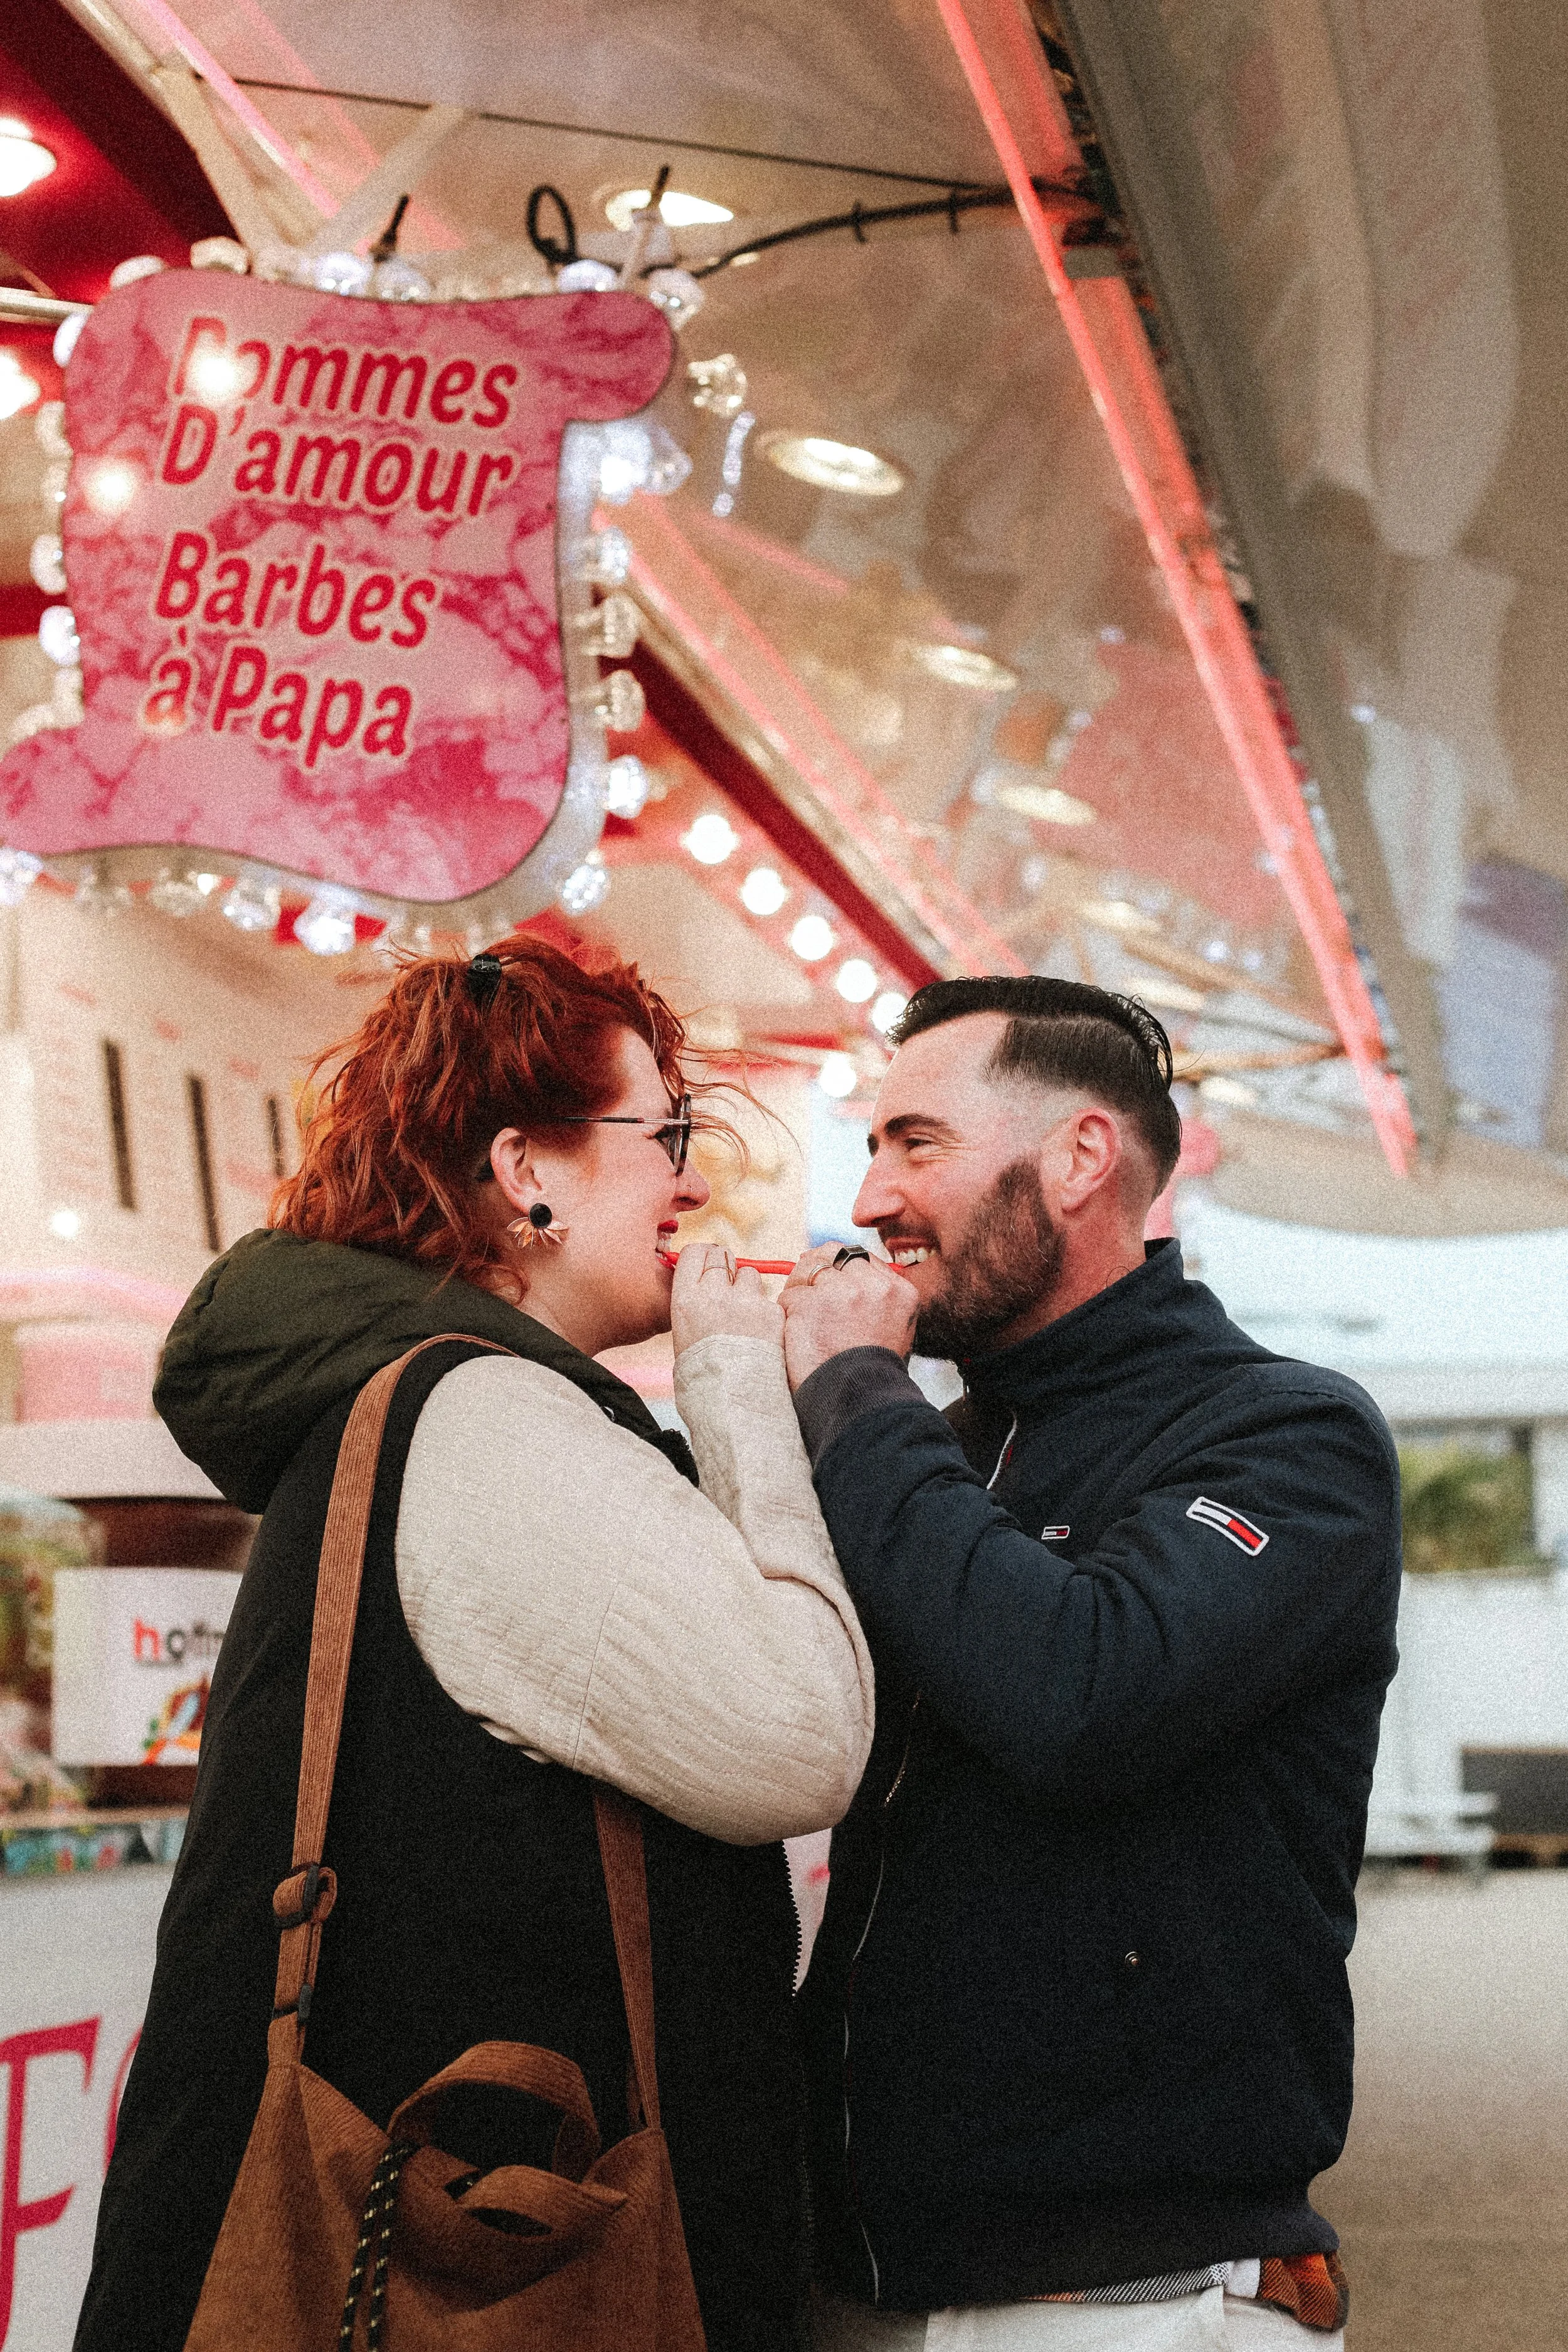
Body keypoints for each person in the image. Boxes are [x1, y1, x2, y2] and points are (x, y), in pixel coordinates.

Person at [74, 937, 874, 2352]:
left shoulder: (412, 1402)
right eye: (666, 1131)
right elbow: (797, 1738)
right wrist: (740, 1377)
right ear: (527, 1171)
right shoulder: (492, 1424)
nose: (692, 1180)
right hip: (482, 2255)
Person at [777, 976, 1401, 2351]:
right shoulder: (932, 1451)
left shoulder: (1288, 1437)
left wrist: (857, 1401)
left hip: (1128, 2298)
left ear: (1077, 1158)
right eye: (868, 1147)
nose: (870, 1196)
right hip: (853, 2275)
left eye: (914, 1142)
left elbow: (1079, 1695)